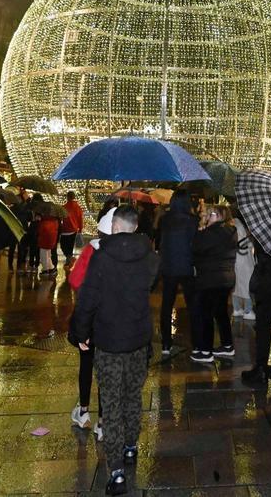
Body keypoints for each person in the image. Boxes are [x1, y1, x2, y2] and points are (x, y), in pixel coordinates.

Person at [69, 207, 160, 497]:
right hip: (139, 339)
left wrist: (79, 333)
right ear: (134, 227)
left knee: (111, 402)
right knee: (133, 395)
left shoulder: (102, 257)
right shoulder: (150, 256)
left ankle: (117, 472)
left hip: (109, 340)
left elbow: (88, 298)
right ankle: (131, 447)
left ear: (116, 226)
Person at [67, 208, 114, 440]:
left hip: (90, 319)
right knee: (106, 370)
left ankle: (84, 411)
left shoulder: (91, 251)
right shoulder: (125, 253)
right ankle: (103, 422)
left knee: (86, 363)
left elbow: (75, 280)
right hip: (112, 322)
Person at [190, 204, 237, 364]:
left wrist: (201, 229)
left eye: (209, 214)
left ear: (217, 215)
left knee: (205, 314)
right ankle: (227, 345)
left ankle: (205, 351)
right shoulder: (231, 231)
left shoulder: (211, 233)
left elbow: (195, 248)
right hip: (227, 278)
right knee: (221, 312)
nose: (206, 217)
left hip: (210, 279)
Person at [157, 190, 197, 358]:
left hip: (169, 267)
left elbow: (160, 242)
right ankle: (196, 342)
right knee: (193, 306)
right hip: (188, 267)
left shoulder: (165, 220)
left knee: (166, 305)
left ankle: (166, 343)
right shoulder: (193, 221)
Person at [243, 237, 271, 384]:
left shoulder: (267, 235)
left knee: (264, 330)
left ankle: (262, 368)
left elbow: (264, 261)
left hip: (268, 287)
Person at [232, 215, 256, 320]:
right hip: (244, 260)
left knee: (237, 284)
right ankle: (248, 310)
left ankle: (237, 308)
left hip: (236, 259)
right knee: (247, 285)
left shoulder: (233, 224)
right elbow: (245, 243)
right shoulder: (241, 226)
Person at [60, 191, 84, 263]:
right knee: (70, 246)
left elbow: (60, 219)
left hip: (65, 230)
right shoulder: (78, 208)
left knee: (63, 245)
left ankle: (68, 258)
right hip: (74, 230)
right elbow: (80, 219)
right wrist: (80, 229)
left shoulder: (63, 207)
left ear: (67, 197)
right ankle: (69, 258)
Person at [38, 205, 61, 276]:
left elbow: (40, 231)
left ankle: (45, 270)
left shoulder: (45, 221)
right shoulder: (55, 221)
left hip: (44, 241)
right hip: (51, 241)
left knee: (43, 256)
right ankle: (51, 268)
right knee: (48, 255)